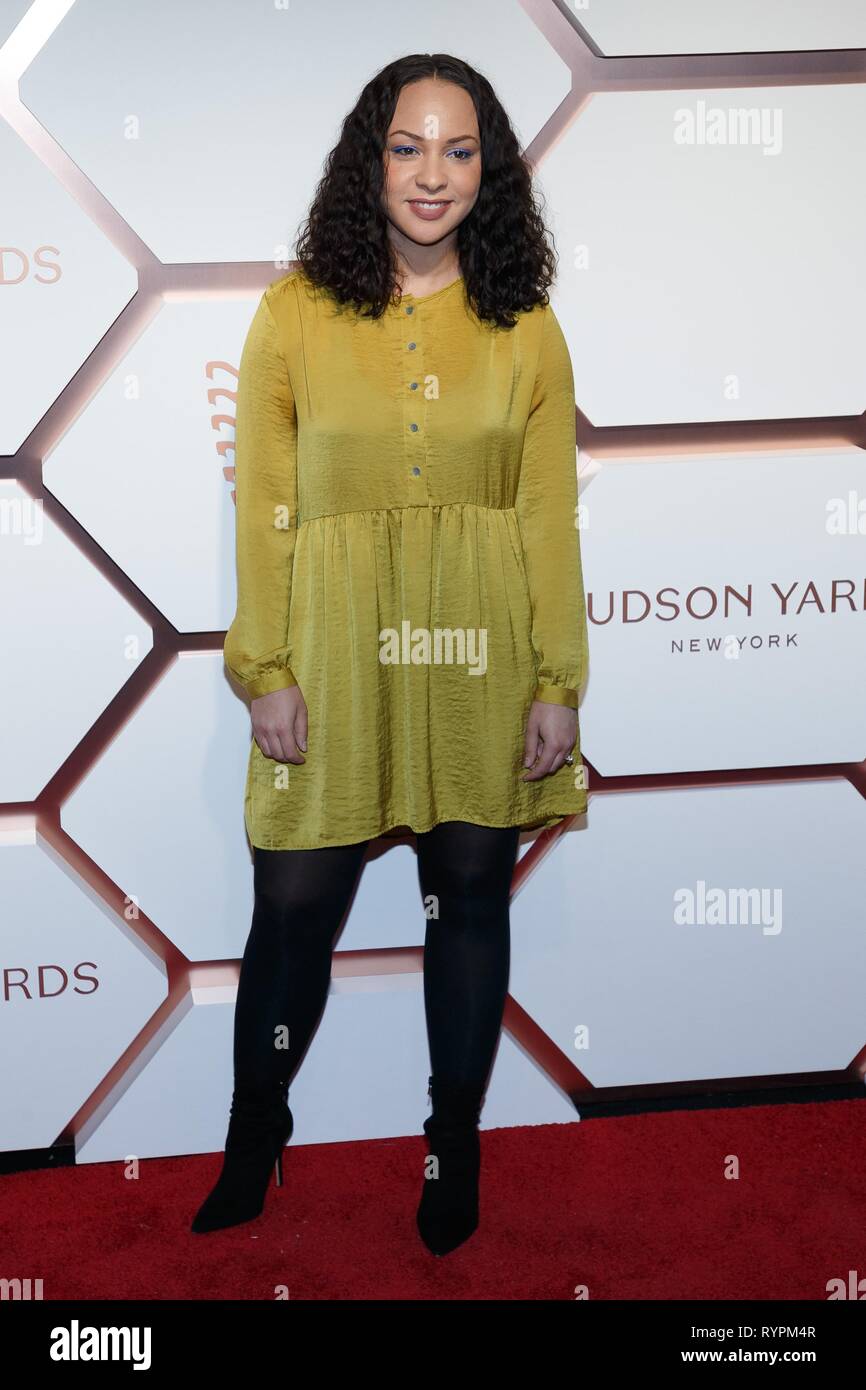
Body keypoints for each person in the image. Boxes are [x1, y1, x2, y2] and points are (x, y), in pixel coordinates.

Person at [191, 52, 589, 1257]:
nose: (433, 173)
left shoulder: (524, 324)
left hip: (482, 651)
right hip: (332, 648)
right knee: (292, 910)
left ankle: (449, 1141)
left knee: (467, 895)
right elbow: (264, 502)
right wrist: (262, 667)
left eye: (459, 149)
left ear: (491, 168)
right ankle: (255, 1132)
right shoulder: (294, 312)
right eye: (408, 146)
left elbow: (543, 516)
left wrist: (555, 677)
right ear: (370, 158)